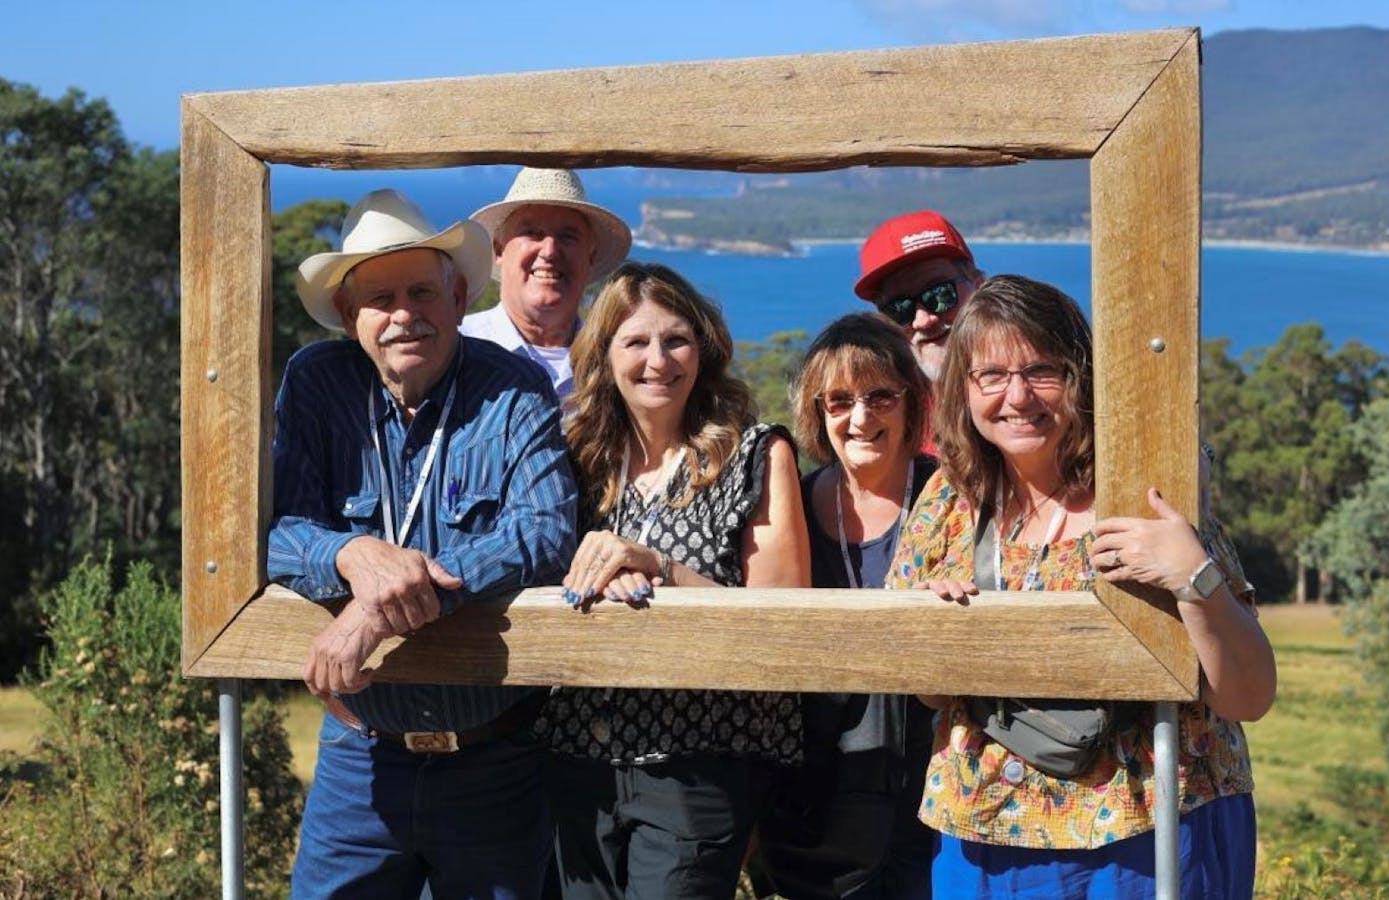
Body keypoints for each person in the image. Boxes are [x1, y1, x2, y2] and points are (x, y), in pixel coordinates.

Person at [884, 275, 1276, 898]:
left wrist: (1194, 576)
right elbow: (929, 696)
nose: (1017, 396)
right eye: (991, 375)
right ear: (963, 389)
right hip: (991, 837)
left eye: (1042, 370)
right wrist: (937, 633)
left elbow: (1249, 695)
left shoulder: (1151, 492)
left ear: (1082, 377)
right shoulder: (947, 504)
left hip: (1158, 829)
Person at [267, 188, 578, 898]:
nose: (404, 313)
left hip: (494, 761)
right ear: (349, 316)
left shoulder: (512, 388)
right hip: (359, 755)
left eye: (420, 291)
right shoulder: (316, 383)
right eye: (380, 298)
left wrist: (380, 607)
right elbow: (275, 527)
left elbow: (545, 530)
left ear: (459, 295)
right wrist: (351, 556)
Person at [528, 261, 810, 899]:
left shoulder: (754, 455)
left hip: (699, 766)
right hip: (577, 758)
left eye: (676, 339)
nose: (658, 360)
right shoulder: (577, 460)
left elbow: (784, 625)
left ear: (703, 350)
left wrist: (660, 568)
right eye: (635, 342)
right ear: (603, 356)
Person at [748, 313, 940, 900]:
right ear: (816, 410)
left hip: (928, 797)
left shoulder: (952, 495)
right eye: (838, 401)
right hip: (812, 801)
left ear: (911, 402)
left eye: (880, 395)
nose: (860, 418)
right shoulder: (792, 507)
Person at [463, 167, 633, 398]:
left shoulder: (617, 362)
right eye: (532, 233)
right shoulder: (457, 350)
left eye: (567, 236)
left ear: (590, 257)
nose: (550, 251)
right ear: (499, 250)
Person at [854, 210, 986, 379]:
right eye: (899, 309)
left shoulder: (1024, 394)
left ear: (980, 287)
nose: (922, 321)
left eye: (939, 294)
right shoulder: (880, 402)